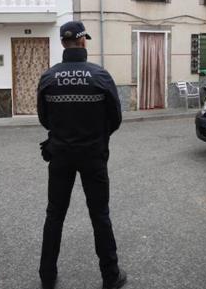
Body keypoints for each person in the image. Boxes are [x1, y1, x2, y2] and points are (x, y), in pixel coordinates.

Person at [36, 21, 127, 289]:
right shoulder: (100, 75)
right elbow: (115, 118)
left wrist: (64, 136)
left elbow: (44, 118)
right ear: (83, 41)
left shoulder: (48, 77)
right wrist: (95, 137)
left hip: (60, 154)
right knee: (100, 215)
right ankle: (110, 276)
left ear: (64, 43)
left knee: (54, 215)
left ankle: (47, 277)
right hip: (93, 155)